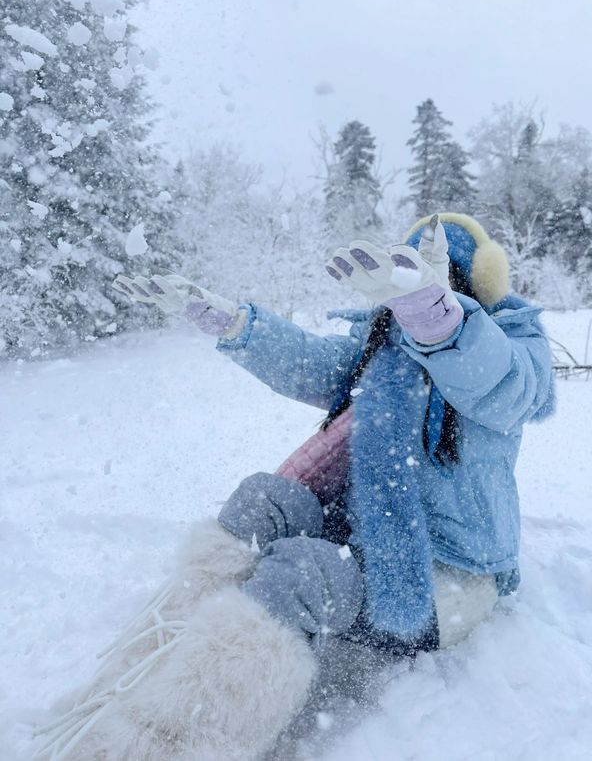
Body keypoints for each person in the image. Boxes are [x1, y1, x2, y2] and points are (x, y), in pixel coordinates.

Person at [35, 213, 554, 761]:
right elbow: (312, 363)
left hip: (449, 576)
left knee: (303, 574)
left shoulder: (511, 347)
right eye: (408, 282)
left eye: (440, 279)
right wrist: (236, 324)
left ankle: (184, 742)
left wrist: (441, 321)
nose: (419, 297)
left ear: (473, 285)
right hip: (367, 534)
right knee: (264, 500)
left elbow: (505, 386)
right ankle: (150, 668)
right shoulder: (382, 348)